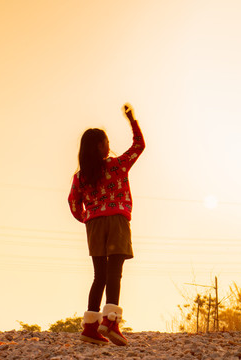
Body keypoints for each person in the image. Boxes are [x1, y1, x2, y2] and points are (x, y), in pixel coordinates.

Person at [68, 103, 145, 346]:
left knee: (98, 274)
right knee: (115, 272)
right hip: (116, 220)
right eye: (106, 142)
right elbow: (139, 146)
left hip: (94, 225)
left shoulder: (80, 177)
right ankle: (111, 321)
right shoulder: (117, 165)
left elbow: (72, 202)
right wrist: (132, 120)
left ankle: (90, 327)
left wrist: (86, 218)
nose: (109, 145)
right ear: (100, 147)